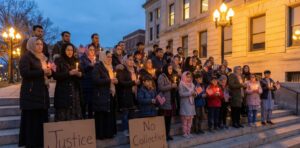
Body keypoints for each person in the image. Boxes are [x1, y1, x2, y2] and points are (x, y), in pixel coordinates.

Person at [19, 37, 52, 147]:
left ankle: (41, 143)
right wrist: (42, 72)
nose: (40, 46)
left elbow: (45, 73)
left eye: (41, 44)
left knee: (41, 122)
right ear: (31, 44)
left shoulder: (43, 58)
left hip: (42, 95)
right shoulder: (26, 57)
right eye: (37, 44)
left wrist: (49, 72)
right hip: (31, 94)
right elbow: (25, 73)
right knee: (32, 123)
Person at [53, 43, 82, 121]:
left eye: (71, 50)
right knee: (64, 115)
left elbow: (81, 73)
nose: (70, 52)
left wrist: (79, 74)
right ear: (64, 50)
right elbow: (55, 75)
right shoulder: (58, 61)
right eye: (68, 50)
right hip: (63, 91)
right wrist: (68, 73)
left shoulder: (75, 61)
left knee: (74, 115)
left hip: (74, 92)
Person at [92, 51, 118, 139]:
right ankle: (101, 135)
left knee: (108, 115)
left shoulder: (111, 67)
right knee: (101, 116)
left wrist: (115, 81)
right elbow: (95, 80)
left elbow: (112, 80)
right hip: (101, 95)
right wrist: (109, 81)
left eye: (111, 57)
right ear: (103, 57)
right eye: (108, 56)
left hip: (109, 94)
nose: (110, 58)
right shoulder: (98, 67)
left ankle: (108, 133)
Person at [116, 54, 139, 136]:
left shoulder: (135, 70)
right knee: (125, 114)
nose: (131, 61)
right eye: (129, 59)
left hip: (133, 95)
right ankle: (125, 130)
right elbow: (122, 82)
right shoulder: (122, 69)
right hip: (125, 94)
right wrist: (133, 82)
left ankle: (131, 129)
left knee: (132, 114)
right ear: (125, 60)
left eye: (132, 59)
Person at [157, 64, 177, 141]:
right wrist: (171, 86)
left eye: (171, 69)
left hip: (171, 101)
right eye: (169, 68)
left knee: (168, 120)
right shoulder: (161, 76)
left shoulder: (171, 77)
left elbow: (173, 87)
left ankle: (167, 134)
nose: (170, 70)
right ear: (165, 69)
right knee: (164, 120)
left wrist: (176, 86)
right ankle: (162, 135)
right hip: (164, 101)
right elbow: (161, 87)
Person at [80, 44, 96, 119]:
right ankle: (83, 120)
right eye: (90, 49)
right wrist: (89, 66)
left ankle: (90, 120)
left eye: (93, 50)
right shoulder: (83, 58)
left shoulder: (95, 59)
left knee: (91, 104)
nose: (92, 51)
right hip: (85, 84)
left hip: (93, 84)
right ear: (87, 50)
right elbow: (81, 69)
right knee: (84, 103)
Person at [179, 71, 196, 138]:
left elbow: (194, 92)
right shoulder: (181, 84)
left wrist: (195, 94)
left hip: (191, 104)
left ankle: (189, 132)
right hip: (185, 104)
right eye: (187, 77)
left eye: (190, 77)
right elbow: (181, 94)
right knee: (185, 120)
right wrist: (189, 93)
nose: (189, 78)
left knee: (190, 120)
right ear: (184, 77)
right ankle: (185, 133)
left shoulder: (192, 84)